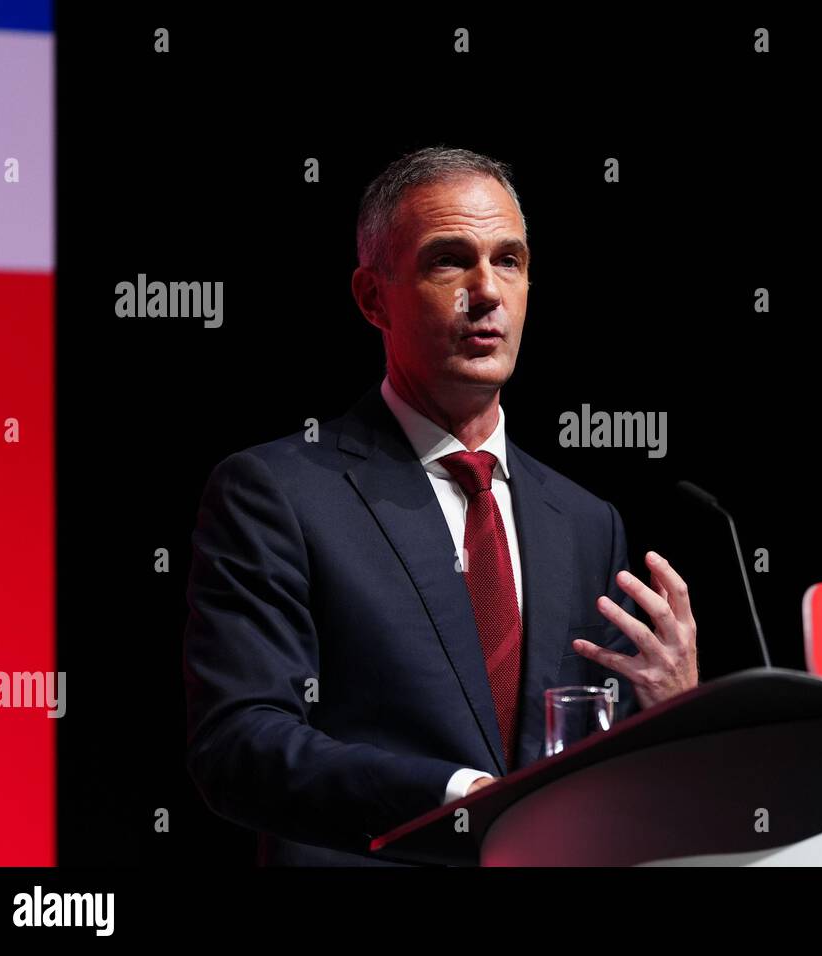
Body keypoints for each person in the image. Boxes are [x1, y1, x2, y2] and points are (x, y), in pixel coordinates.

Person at [182, 146, 699, 865]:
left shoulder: (585, 522)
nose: (485, 291)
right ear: (372, 298)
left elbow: (594, 772)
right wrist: (459, 797)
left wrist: (672, 712)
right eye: (449, 261)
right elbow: (240, 746)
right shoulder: (277, 492)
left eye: (510, 261)